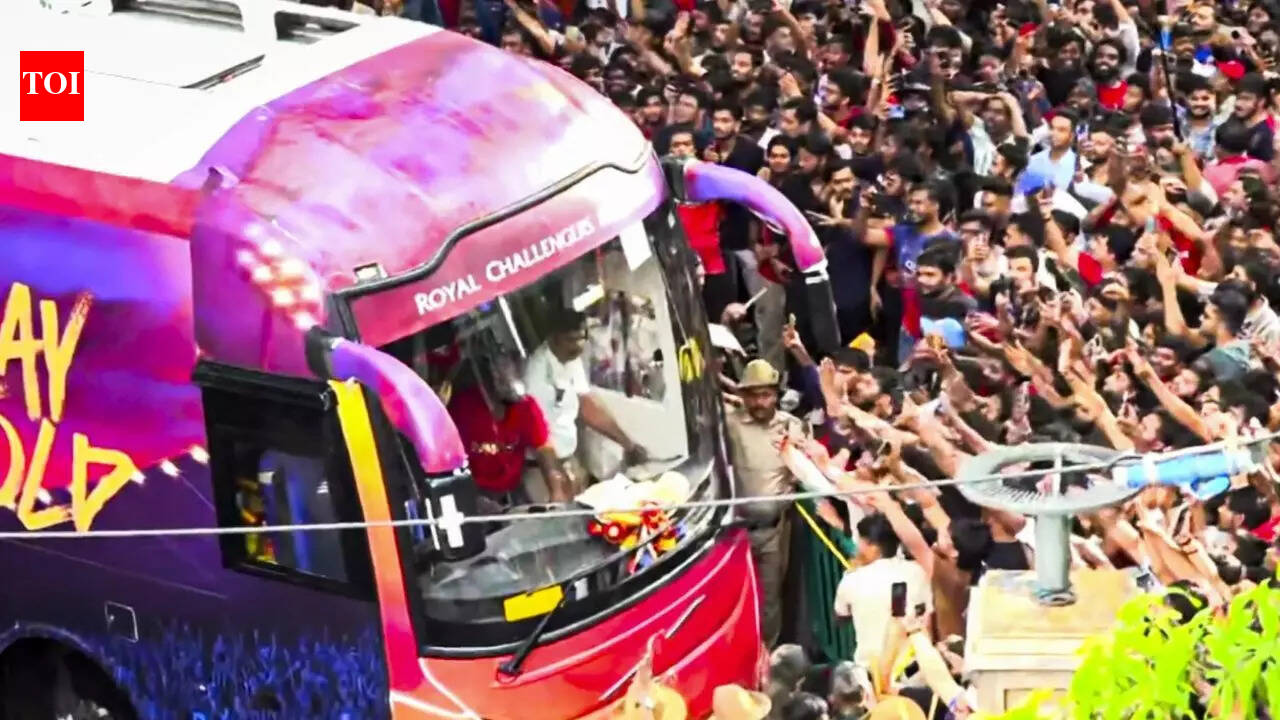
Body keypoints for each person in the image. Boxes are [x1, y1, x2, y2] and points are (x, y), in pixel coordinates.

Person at [725, 359, 808, 647]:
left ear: (776, 395)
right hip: (735, 530)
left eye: (766, 395)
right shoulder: (730, 424)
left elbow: (805, 468)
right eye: (753, 395)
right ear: (743, 396)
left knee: (770, 597)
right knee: (735, 596)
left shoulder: (791, 427)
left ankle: (767, 653)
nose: (760, 402)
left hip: (774, 529)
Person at [523, 310, 648, 500]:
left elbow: (587, 405)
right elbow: (537, 434)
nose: (578, 346)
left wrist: (628, 444)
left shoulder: (571, 359)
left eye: (582, 338)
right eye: (571, 340)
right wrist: (556, 483)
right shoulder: (536, 374)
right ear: (554, 338)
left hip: (567, 458)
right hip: (543, 468)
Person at [447, 352, 569, 505]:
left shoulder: (526, 406)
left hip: (513, 489)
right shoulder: (462, 406)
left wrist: (556, 490)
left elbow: (544, 448)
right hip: (474, 491)